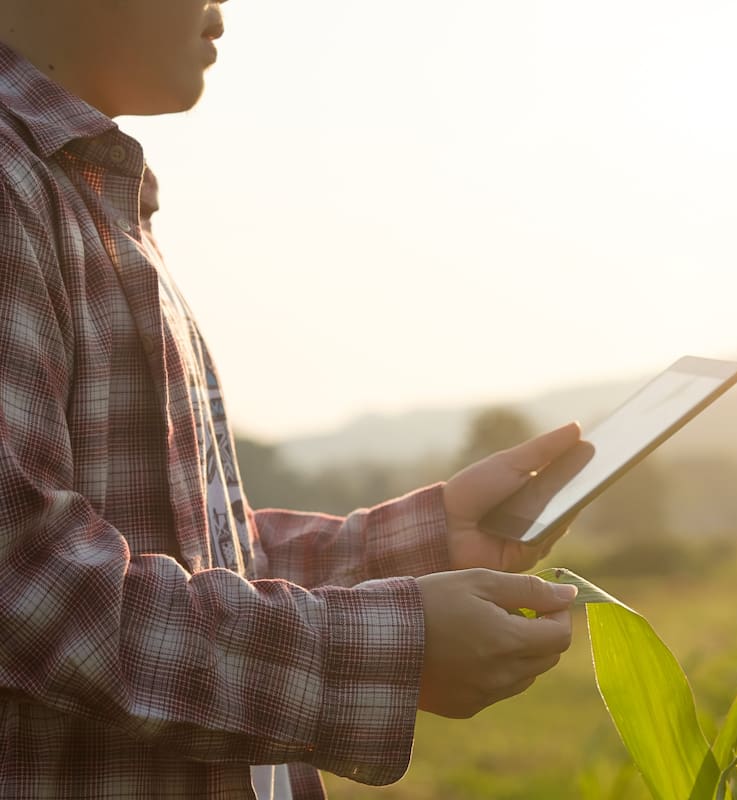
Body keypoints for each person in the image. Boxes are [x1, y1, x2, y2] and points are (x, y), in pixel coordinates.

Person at [0, 0, 581, 797]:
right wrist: (386, 653)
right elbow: (26, 589)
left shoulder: (82, 191)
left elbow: (193, 561)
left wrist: (424, 540)